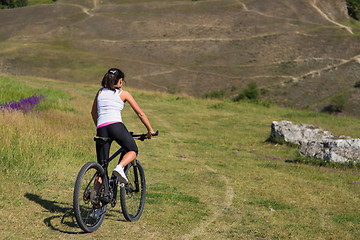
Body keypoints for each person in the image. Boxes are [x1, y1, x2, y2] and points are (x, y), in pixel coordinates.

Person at [91, 68, 155, 184]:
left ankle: (95, 195)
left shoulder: (100, 92)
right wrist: (150, 130)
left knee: (101, 167)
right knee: (133, 150)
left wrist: (99, 127)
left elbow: (93, 113)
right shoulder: (123, 94)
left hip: (101, 128)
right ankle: (120, 167)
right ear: (120, 81)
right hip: (116, 126)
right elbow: (140, 113)